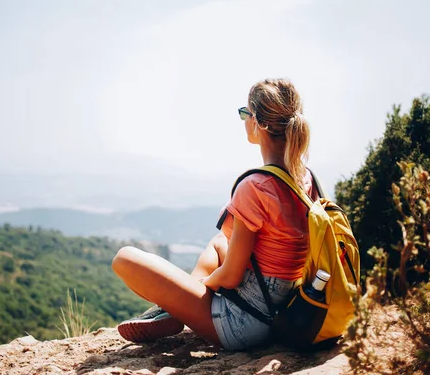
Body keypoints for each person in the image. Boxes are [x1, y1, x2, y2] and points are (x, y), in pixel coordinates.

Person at [111, 78, 318, 351]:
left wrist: (198, 286)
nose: (243, 120)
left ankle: (174, 311)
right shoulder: (305, 179)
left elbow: (230, 277)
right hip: (285, 309)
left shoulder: (254, 186)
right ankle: (174, 311)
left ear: (257, 123)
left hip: (244, 323)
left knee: (124, 258)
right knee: (220, 242)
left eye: (245, 113)